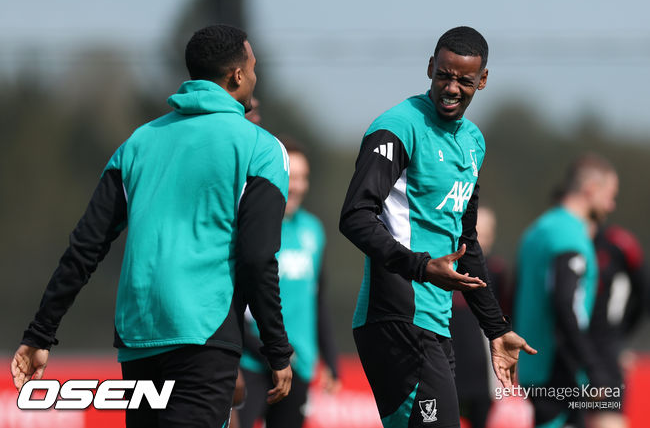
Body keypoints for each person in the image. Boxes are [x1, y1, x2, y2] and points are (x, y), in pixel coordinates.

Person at [10, 24, 293, 428]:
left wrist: (40, 333)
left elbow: (85, 247)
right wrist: (276, 350)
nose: (255, 76)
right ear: (237, 76)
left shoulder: (137, 143)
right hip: (203, 336)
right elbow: (257, 257)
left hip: (138, 338)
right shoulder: (262, 149)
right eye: (253, 67)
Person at [339, 26, 535, 428]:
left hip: (435, 323)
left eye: (464, 80)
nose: (451, 88)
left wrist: (496, 328)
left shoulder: (474, 142)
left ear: (482, 80)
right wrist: (421, 267)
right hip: (395, 318)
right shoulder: (397, 126)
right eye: (444, 75)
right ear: (430, 67)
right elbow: (355, 216)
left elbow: (466, 242)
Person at [238, 139, 341, 428]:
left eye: (302, 178)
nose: (296, 186)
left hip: (298, 366)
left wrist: (331, 360)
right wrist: (264, 349)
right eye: (290, 177)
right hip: (250, 362)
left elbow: (317, 299)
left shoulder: (314, 230)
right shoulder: (250, 226)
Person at [514, 154, 619, 428]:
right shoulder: (569, 235)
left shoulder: (538, 230)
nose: (611, 205)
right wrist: (592, 366)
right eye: (610, 195)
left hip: (534, 366)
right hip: (559, 369)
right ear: (591, 189)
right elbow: (565, 304)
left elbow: (513, 293)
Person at [450, 206, 512, 428]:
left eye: (486, 234)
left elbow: (504, 315)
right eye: (477, 233)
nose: (481, 240)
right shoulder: (444, 268)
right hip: (449, 365)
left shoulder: (496, 271)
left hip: (482, 370)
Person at [587, 223, 646, 428]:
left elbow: (644, 295)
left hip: (605, 351)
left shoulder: (618, 243)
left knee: (607, 414)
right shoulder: (555, 238)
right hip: (565, 349)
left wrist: (620, 340)